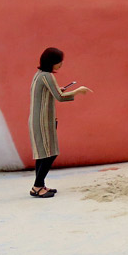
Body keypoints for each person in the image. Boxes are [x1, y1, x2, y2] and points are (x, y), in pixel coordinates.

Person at [28, 47, 92, 198]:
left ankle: (39, 185)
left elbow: (52, 93)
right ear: (52, 62)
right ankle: (37, 186)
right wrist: (77, 91)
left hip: (38, 119)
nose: (61, 64)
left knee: (43, 154)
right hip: (43, 120)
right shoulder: (48, 76)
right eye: (59, 61)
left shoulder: (39, 75)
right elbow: (60, 97)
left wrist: (60, 89)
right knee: (51, 153)